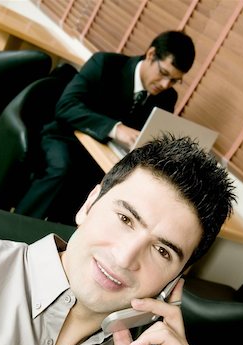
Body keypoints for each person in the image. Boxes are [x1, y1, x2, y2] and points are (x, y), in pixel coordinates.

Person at [0, 135, 236, 345]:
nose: (126, 258)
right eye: (125, 219)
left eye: (162, 251)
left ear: (177, 278)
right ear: (89, 204)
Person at [14, 30, 195, 225]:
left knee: (109, 191)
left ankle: (62, 241)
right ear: (151, 55)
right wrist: (116, 129)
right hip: (65, 138)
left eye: (174, 80)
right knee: (62, 168)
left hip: (103, 157)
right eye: (163, 73)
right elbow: (66, 106)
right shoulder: (105, 64)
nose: (165, 84)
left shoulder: (168, 98)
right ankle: (16, 226)